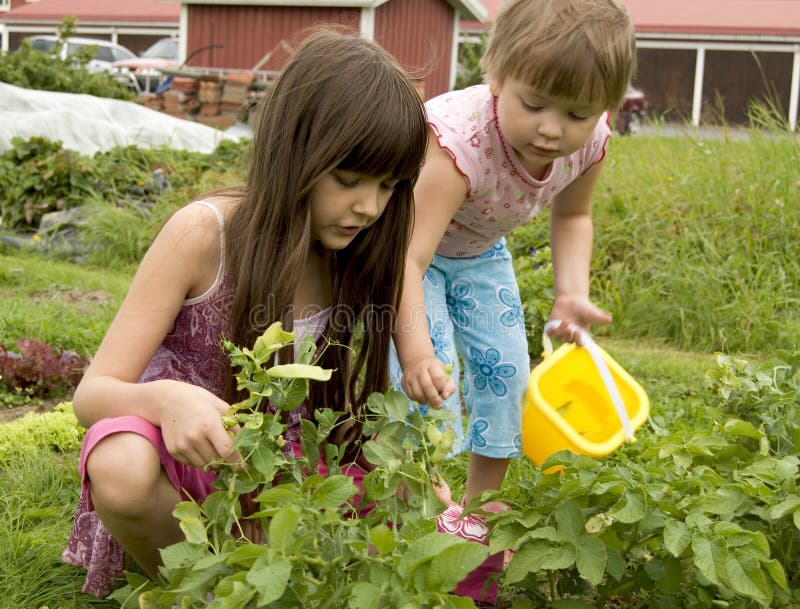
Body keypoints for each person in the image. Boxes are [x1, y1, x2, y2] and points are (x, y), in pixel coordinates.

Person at [61, 29, 427, 597]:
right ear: (293, 151)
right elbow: (92, 395)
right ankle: (209, 588)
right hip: (187, 463)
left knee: (413, 496)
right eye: (350, 180)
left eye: (388, 186)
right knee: (121, 464)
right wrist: (166, 399)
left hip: (285, 468)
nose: (369, 206)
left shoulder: (359, 247)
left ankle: (278, 574)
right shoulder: (205, 234)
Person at [393, 0, 636, 507]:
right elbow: (408, 258)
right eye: (535, 104)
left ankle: (485, 504)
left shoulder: (590, 143)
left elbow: (572, 216)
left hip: (480, 249)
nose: (552, 129)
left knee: (507, 370)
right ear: (498, 78)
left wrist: (572, 293)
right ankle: (414, 489)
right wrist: (415, 354)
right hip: (410, 249)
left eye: (577, 113)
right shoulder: (459, 144)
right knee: (430, 375)